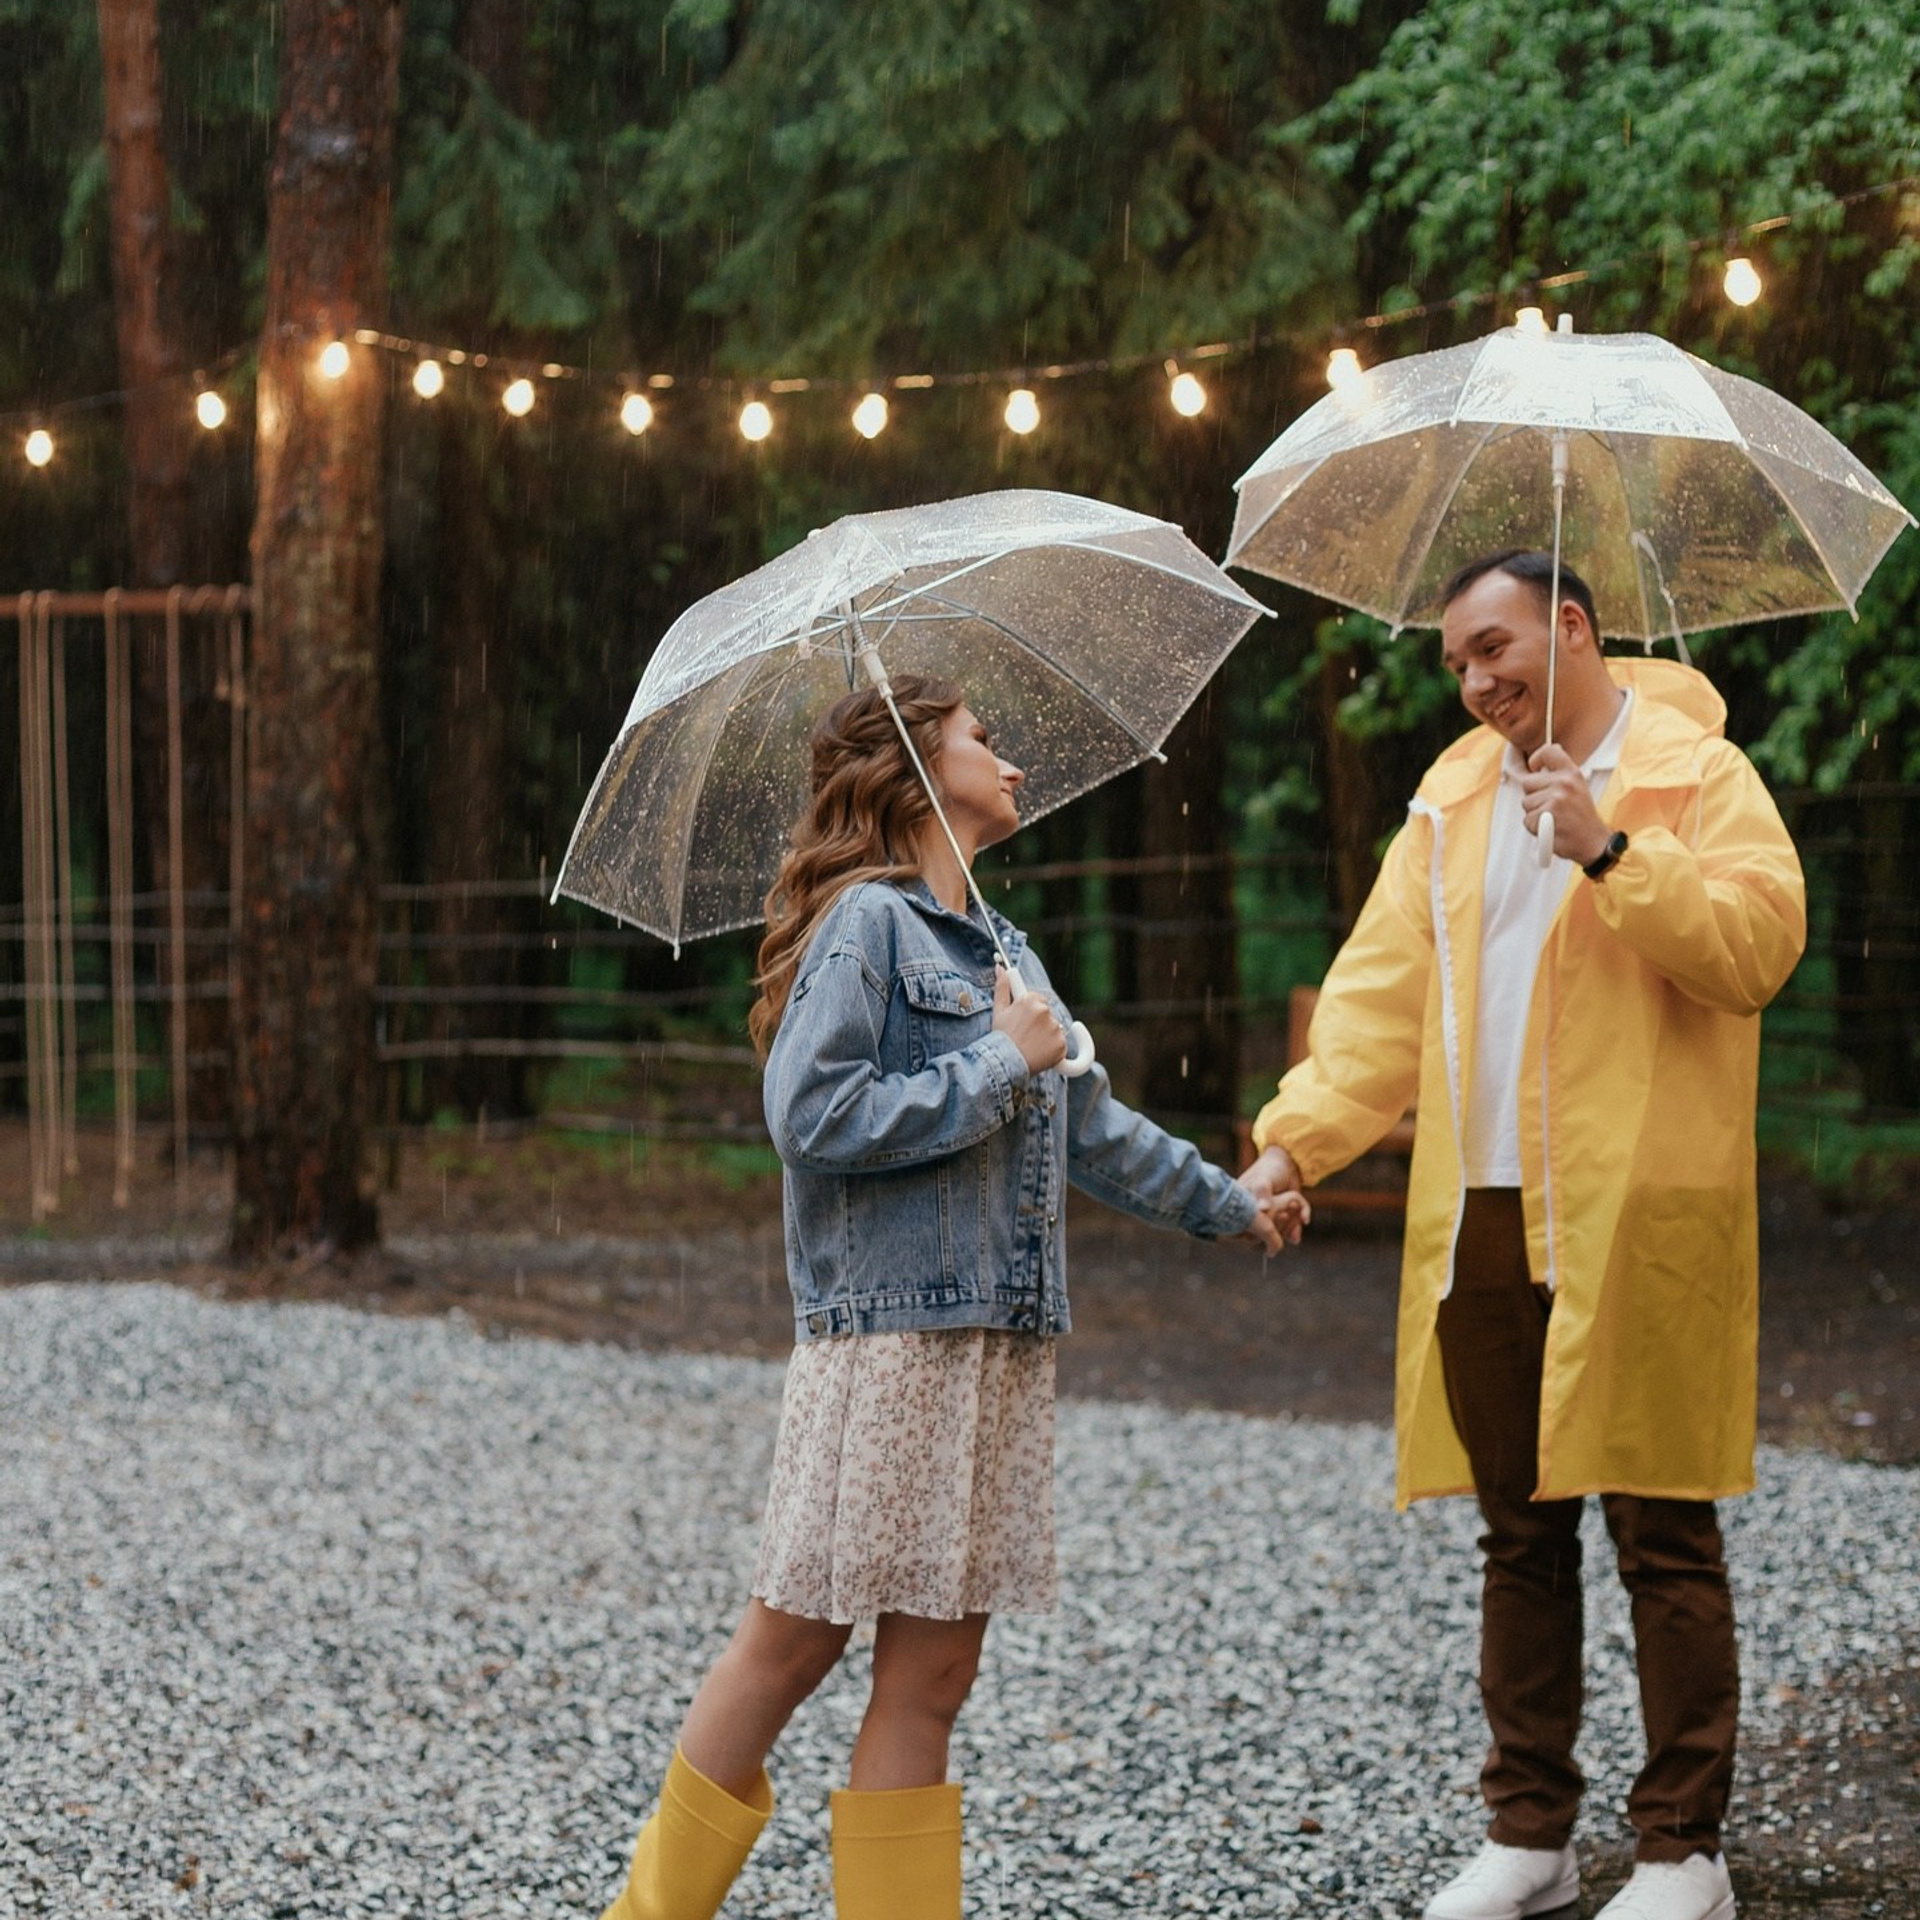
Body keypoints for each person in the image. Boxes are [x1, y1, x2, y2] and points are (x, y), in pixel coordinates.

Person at [596, 673, 1307, 1920]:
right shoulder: (867, 927)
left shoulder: (1008, 948)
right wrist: (994, 1061)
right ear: (916, 766)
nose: (1013, 761)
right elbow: (809, 1119)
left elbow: (1090, 1127)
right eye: (986, 739)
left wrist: (1230, 1205)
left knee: (932, 1678)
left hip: (998, 1345)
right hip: (891, 1342)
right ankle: (645, 1915)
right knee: (798, 1636)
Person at [1242, 551, 1805, 1920]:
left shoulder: (1696, 776)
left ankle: (1683, 1852)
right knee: (1520, 1530)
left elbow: (1758, 950)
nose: (1476, 680)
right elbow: (1378, 1005)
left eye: (1494, 648)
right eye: (1456, 664)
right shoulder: (1447, 799)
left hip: (1640, 1205)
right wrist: (1294, 1138)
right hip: (1481, 1205)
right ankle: (1531, 1834)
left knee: (1662, 1525)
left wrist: (1611, 848)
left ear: (1570, 626)